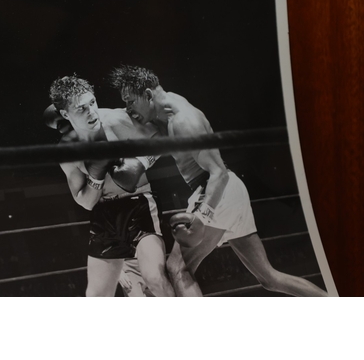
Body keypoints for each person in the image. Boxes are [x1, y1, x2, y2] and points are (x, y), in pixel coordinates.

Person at [110, 65, 328, 297]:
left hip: (216, 190)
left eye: (130, 101)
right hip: (230, 192)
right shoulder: (167, 109)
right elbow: (128, 120)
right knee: (269, 279)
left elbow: (218, 173)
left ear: (148, 94)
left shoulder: (184, 120)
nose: (128, 108)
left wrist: (203, 216)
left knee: (178, 268)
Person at [47, 75, 176, 297]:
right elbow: (86, 202)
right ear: (66, 114)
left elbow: (163, 133)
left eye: (92, 103)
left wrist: (141, 162)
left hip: (139, 205)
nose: (92, 112)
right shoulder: (67, 152)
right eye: (82, 109)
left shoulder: (117, 120)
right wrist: (96, 176)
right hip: (104, 215)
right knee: (96, 297)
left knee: (154, 278)